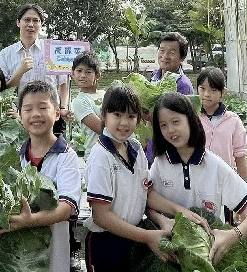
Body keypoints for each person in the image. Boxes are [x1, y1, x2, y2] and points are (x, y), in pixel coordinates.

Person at [84, 84, 208, 271]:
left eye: (131, 116)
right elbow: (101, 216)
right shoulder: (101, 156)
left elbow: (147, 192)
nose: (124, 123)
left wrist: (179, 211)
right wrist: (148, 236)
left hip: (134, 237)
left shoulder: (134, 147)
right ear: (103, 115)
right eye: (117, 115)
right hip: (107, 242)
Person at [149, 92, 247, 265]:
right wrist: (163, 220)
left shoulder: (214, 166)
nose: (171, 130)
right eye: (163, 125)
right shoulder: (160, 164)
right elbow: (146, 200)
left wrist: (232, 235)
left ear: (190, 120)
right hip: (171, 255)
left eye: (176, 122)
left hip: (209, 256)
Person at [6, 81, 81, 272]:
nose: (35, 114)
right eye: (28, 109)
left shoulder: (67, 157)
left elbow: (65, 210)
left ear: (56, 113)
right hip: (18, 256)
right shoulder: (15, 155)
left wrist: (30, 221)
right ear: (20, 115)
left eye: (42, 107)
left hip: (54, 255)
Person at [0, 4, 73, 135]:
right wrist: (20, 71)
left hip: (51, 114)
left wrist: (63, 108)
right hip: (20, 115)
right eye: (26, 20)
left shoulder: (53, 49)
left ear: (41, 24)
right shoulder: (6, 54)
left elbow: (63, 82)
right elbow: (2, 88)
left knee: (54, 153)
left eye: (35, 20)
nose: (31, 24)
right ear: (18, 23)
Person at [197, 67, 247, 224]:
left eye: (213, 90)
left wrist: (244, 200)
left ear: (223, 92)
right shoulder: (191, 117)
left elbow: (240, 160)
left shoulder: (233, 121)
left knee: (224, 225)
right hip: (196, 181)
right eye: (202, 88)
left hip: (224, 183)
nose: (207, 94)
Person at [145, 31, 195, 164]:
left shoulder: (183, 84)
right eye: (162, 50)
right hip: (152, 147)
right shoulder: (154, 76)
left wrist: (149, 116)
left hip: (171, 152)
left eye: (172, 53)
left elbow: (183, 123)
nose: (165, 56)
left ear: (182, 58)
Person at [70, 51, 104, 158]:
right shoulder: (79, 102)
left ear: (97, 75)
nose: (83, 76)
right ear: (73, 73)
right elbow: (101, 129)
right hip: (96, 154)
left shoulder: (105, 94)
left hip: (116, 152)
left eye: (88, 72)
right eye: (79, 71)